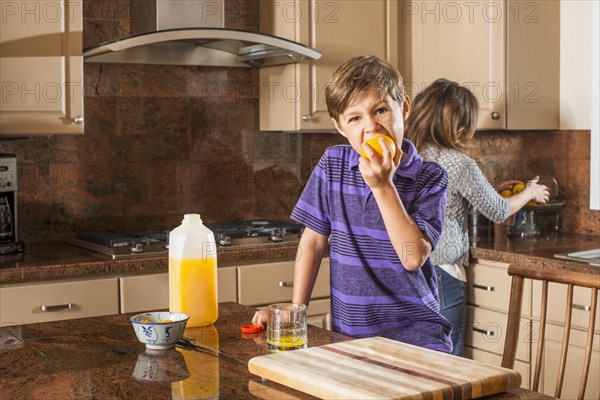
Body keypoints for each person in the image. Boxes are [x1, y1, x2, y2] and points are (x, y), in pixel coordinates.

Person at [253, 55, 453, 353]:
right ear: (340, 127)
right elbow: (313, 241)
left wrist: (383, 185)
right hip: (349, 339)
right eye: (355, 118)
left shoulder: (429, 177)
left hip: (417, 340)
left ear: (405, 108)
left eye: (381, 110)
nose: (370, 127)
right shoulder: (333, 164)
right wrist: (296, 313)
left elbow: (413, 257)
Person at [405, 78, 550, 356]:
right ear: (457, 123)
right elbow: (498, 211)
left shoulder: (406, 157)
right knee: (449, 362)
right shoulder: (458, 162)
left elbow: (440, 202)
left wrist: (489, 192)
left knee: (415, 358)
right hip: (443, 271)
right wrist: (530, 191)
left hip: (405, 270)